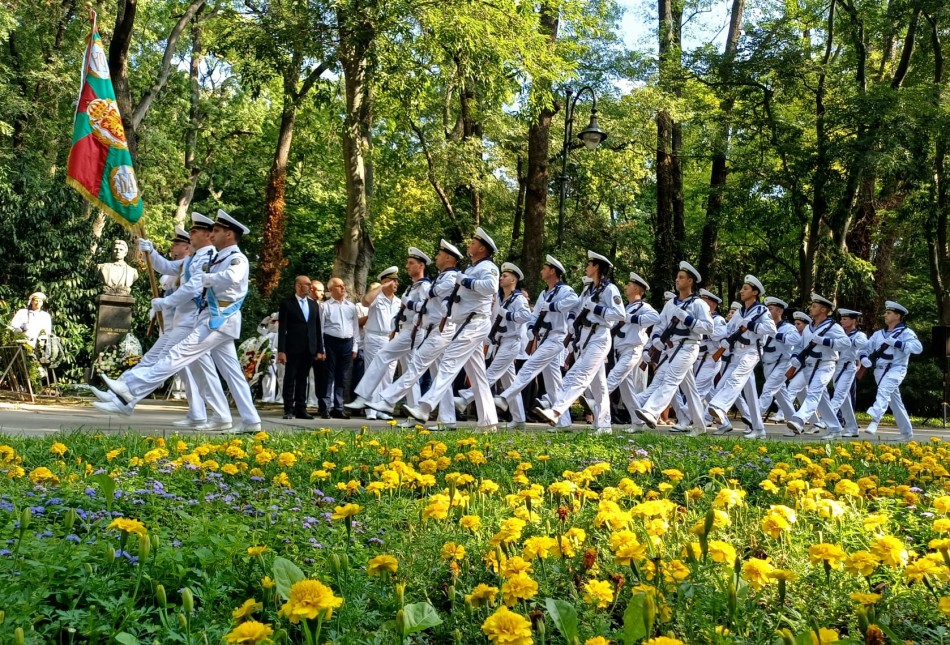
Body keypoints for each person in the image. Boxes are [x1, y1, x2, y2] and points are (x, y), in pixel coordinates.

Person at [94, 210, 262, 434]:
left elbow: (233, 276)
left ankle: (129, 387)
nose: (212, 234)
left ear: (229, 234)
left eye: (216, 230)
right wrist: (151, 252)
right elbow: (172, 268)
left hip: (218, 320)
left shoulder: (236, 258)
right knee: (232, 373)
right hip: (211, 319)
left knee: (177, 355)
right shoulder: (217, 257)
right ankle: (248, 420)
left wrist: (205, 279)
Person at [403, 228, 499, 429]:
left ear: (482, 248)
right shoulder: (472, 268)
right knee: (478, 376)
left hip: (475, 323)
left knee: (449, 362)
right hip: (465, 323)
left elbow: (491, 287)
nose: (469, 245)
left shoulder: (488, 267)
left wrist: (464, 281)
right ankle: (489, 422)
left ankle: (425, 407)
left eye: (473, 243)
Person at [363, 239, 463, 429]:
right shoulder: (440, 277)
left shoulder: (449, 277)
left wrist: (410, 302)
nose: (436, 257)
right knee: (440, 376)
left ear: (449, 258)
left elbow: (431, 296)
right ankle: (448, 419)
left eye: (440, 254)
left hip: (439, 329)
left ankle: (388, 401)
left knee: (416, 366)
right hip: (432, 329)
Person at [534, 251, 624, 432]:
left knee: (580, 375)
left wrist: (597, 308)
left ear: (596, 267)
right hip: (585, 337)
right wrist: (571, 324)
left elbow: (620, 314)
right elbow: (576, 308)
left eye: (589, 264)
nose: (586, 267)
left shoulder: (609, 289)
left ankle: (556, 410)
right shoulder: (588, 290)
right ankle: (604, 425)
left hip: (600, 336)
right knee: (599, 386)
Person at [494, 255, 579, 429]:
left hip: (556, 337)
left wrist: (553, 306)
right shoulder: (544, 292)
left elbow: (574, 301)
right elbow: (535, 314)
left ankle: (505, 397)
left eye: (544, 268)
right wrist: (532, 327)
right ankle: (564, 423)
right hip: (543, 338)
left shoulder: (565, 290)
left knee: (529, 366)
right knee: (553, 384)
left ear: (552, 271)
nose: (541, 271)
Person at [346, 247, 432, 413]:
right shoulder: (413, 287)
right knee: (410, 371)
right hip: (401, 332)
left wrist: (409, 307)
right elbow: (369, 303)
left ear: (421, 266)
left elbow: (425, 309)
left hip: (412, 332)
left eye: (411, 263)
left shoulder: (424, 286)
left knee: (384, 358)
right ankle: (413, 410)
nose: (407, 266)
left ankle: (366, 397)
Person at [631, 261, 713, 435]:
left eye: (681, 277)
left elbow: (708, 328)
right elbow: (660, 325)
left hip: (689, 346)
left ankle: (651, 411)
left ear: (690, 281)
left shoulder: (699, 304)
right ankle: (699, 425)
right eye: (677, 277)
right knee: (690, 389)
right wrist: (656, 340)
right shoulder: (670, 304)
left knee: (670, 379)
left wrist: (688, 319)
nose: (677, 280)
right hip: (672, 348)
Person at [456, 261, 531, 427]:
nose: (500, 278)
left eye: (505, 276)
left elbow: (526, 316)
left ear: (513, 280)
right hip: (499, 341)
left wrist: (508, 314)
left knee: (491, 373)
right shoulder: (499, 298)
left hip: (512, 341)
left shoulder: (518, 298)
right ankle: (519, 419)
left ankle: (466, 398)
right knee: (510, 382)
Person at [707, 275, 776, 440]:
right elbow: (730, 329)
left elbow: (772, 329)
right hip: (737, 351)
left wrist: (751, 325)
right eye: (742, 288)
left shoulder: (761, 311)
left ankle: (720, 406)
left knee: (735, 378)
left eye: (745, 289)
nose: (741, 291)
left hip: (752, 351)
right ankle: (758, 428)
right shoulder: (739, 312)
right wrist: (724, 339)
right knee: (749, 393)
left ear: (755, 292)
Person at [783, 293, 849, 438]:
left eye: (814, 306)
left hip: (825, 365)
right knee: (822, 401)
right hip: (809, 366)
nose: (810, 308)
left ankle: (799, 419)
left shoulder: (833, 327)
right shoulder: (808, 328)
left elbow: (846, 343)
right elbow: (800, 346)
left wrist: (825, 341)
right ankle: (835, 429)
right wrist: (795, 358)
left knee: (813, 393)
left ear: (823, 310)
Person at [862, 301, 923, 439]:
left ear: (897, 316)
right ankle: (906, 433)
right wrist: (864, 357)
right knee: (895, 402)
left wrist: (898, 343)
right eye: (886, 312)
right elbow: (865, 348)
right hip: (879, 370)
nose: (885, 315)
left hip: (897, 369)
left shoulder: (906, 332)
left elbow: (918, 348)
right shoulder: (878, 334)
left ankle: (874, 421)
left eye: (888, 313)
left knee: (883, 391)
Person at [278, 276, 324, 420]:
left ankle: (301, 408)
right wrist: (281, 351)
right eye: (307, 284)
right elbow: (282, 329)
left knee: (303, 379)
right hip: (292, 348)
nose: (311, 287)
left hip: (309, 348)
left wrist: (320, 349)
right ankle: (288, 409)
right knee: (290, 378)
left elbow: (317, 328)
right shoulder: (287, 304)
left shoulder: (313, 305)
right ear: (298, 286)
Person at [358, 268, 401, 420]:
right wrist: (381, 287)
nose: (396, 284)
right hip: (375, 337)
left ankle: (382, 408)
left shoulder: (398, 301)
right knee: (373, 372)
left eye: (396, 281)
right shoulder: (376, 298)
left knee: (388, 375)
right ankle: (370, 410)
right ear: (385, 281)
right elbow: (365, 301)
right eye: (393, 281)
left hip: (392, 339)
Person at [320, 277, 360, 418]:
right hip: (330, 342)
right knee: (328, 376)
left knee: (342, 377)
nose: (343, 288)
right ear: (331, 289)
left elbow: (355, 328)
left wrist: (355, 347)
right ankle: (326, 407)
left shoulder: (351, 307)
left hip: (347, 343)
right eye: (339, 286)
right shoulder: (325, 306)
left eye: (343, 285)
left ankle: (339, 407)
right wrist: (322, 348)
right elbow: (320, 328)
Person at [756, 297, 799, 423]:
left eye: (770, 309)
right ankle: (794, 423)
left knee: (768, 389)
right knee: (782, 396)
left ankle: (754, 420)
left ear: (779, 311)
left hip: (782, 363)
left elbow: (796, 339)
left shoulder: (787, 327)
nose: (767, 312)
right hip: (767, 364)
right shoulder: (765, 326)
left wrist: (776, 334)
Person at [829, 308, 868, 438]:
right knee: (845, 399)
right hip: (836, 366)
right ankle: (852, 428)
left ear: (853, 321)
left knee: (839, 395)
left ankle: (827, 419)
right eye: (841, 318)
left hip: (848, 366)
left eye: (845, 319)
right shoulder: (838, 333)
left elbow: (863, 344)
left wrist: (844, 342)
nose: (841, 321)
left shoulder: (859, 335)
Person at [307, 280, 328, 413]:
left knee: (321, 377)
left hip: (320, 347)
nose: (322, 293)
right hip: (306, 346)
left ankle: (322, 404)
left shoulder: (323, 305)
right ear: (311, 290)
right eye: (320, 290)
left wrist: (321, 348)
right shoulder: (305, 304)